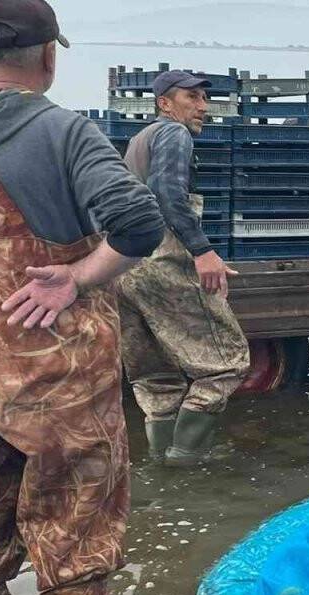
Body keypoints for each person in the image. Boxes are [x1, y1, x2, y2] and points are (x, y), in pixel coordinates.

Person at [0, 1, 166, 595]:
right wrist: (78, 276)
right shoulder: (64, 132)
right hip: (56, 384)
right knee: (75, 546)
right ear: (50, 57)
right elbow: (139, 224)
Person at [118, 70, 250, 467]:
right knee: (226, 362)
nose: (203, 107)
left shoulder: (138, 140)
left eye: (204, 99)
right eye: (192, 97)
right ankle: (188, 456)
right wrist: (203, 251)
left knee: (156, 376)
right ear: (165, 103)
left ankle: (164, 465)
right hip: (163, 260)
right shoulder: (173, 134)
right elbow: (168, 193)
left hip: (126, 266)